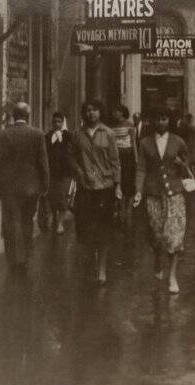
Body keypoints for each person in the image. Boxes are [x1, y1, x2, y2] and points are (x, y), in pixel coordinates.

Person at [133, 108, 189, 294]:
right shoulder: (145, 143)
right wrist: (138, 191)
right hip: (153, 193)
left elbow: (189, 165)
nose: (161, 122)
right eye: (158, 118)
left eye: (164, 118)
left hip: (175, 193)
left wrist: (183, 165)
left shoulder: (178, 142)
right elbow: (141, 168)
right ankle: (158, 257)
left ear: (169, 121)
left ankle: (172, 276)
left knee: (174, 236)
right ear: (153, 121)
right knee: (157, 235)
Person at [68, 100, 122, 285]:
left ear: (100, 112)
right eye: (88, 110)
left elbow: (115, 161)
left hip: (104, 187)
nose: (91, 113)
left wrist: (118, 185)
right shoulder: (77, 134)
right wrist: (80, 173)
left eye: (95, 110)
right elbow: (72, 157)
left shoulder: (107, 133)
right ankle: (91, 261)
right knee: (85, 229)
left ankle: (101, 269)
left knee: (104, 229)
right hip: (85, 188)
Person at [0, 102, 49, 274]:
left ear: (14, 116)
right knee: (27, 222)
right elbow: (43, 163)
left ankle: (13, 260)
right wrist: (45, 185)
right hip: (31, 188)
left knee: (11, 223)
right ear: (27, 116)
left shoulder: (4, 134)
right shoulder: (37, 134)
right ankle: (25, 258)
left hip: (9, 188)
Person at [45, 111, 72, 234]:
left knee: (62, 198)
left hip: (64, 172)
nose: (57, 124)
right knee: (51, 197)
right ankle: (53, 219)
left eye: (59, 121)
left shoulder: (68, 136)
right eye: (55, 121)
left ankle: (60, 223)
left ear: (63, 122)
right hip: (51, 172)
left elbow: (72, 153)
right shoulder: (47, 136)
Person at [110, 104, 137, 229]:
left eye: (117, 111)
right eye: (114, 111)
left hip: (128, 157)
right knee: (117, 182)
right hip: (116, 158)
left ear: (122, 112)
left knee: (128, 184)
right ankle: (120, 212)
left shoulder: (129, 125)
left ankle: (128, 212)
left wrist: (136, 159)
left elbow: (133, 142)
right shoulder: (111, 127)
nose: (115, 114)